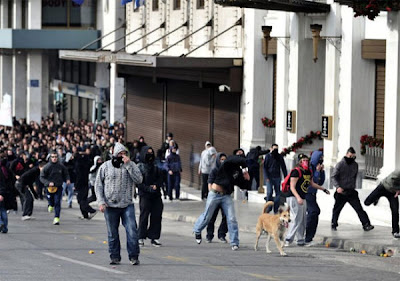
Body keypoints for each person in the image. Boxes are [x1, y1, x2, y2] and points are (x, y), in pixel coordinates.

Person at [95, 142, 143, 266]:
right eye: (119, 154)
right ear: (114, 154)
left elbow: (139, 179)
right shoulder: (105, 167)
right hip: (110, 205)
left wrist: (128, 165)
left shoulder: (131, 165)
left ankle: (134, 256)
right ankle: (115, 256)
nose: (122, 156)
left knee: (132, 230)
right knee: (112, 233)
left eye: (124, 153)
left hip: (127, 204)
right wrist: (101, 202)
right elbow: (98, 185)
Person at [193, 155, 250, 251]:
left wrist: (246, 178)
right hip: (215, 194)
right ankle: (197, 230)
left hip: (226, 196)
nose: (223, 160)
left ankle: (234, 242)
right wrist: (246, 160)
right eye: (221, 159)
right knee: (207, 216)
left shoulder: (238, 172)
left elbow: (242, 186)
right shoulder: (224, 166)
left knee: (232, 218)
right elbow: (232, 159)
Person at [285, 154, 330, 246]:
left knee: (303, 219)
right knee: (297, 218)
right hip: (294, 197)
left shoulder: (308, 171)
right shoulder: (296, 172)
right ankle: (288, 239)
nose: (305, 161)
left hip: (303, 197)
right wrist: (298, 197)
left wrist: (323, 189)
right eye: (303, 160)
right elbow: (292, 187)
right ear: (300, 162)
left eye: (306, 160)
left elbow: (312, 183)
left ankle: (300, 240)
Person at [331, 147, 374, 231]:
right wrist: (337, 186)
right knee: (337, 209)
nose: (351, 158)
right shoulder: (340, 164)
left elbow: (354, 177)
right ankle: (334, 223)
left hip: (351, 191)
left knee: (359, 208)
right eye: (350, 156)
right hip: (341, 191)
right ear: (347, 154)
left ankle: (366, 224)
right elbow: (333, 176)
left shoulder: (355, 165)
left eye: (353, 156)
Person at [137, 146, 164, 247]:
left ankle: (154, 237)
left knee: (157, 215)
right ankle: (140, 237)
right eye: (148, 153)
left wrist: (156, 186)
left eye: (151, 153)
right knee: (144, 216)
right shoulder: (139, 167)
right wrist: (148, 188)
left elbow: (161, 178)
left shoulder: (156, 165)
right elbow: (138, 182)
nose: (150, 156)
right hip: (145, 195)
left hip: (156, 195)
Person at [364, 170, 400, 238]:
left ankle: (395, 231)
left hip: (392, 193)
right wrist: (397, 190)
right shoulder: (398, 172)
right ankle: (376, 198)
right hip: (384, 187)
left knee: (395, 211)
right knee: (367, 202)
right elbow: (390, 182)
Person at [40, 151, 70, 225]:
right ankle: (50, 204)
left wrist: (67, 179)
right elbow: (42, 177)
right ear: (50, 158)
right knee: (51, 200)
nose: (54, 158)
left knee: (57, 202)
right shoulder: (47, 167)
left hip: (58, 186)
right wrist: (47, 183)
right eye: (53, 157)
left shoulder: (61, 166)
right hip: (49, 188)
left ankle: (56, 218)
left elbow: (66, 173)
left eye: (56, 157)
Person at [205, 152, 228, 243]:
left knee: (226, 216)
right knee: (211, 216)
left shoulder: (227, 171)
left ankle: (222, 234)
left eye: (225, 159)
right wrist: (212, 195)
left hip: (224, 196)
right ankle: (209, 235)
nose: (223, 161)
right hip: (215, 196)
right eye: (221, 159)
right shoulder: (214, 170)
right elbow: (210, 183)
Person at [305, 150, 325, 245]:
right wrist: (317, 172)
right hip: (307, 193)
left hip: (313, 194)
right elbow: (313, 182)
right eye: (320, 158)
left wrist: (322, 172)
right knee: (313, 211)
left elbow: (320, 182)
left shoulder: (318, 168)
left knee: (315, 212)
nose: (321, 160)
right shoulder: (309, 168)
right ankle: (307, 237)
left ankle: (310, 236)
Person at [263, 144, 287, 213]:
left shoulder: (279, 156)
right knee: (269, 192)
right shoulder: (268, 156)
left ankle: (276, 208)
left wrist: (286, 177)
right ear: (271, 148)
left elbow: (283, 167)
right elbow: (265, 167)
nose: (275, 150)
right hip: (269, 177)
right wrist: (266, 177)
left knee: (278, 193)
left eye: (277, 149)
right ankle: (268, 207)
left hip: (277, 177)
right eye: (274, 149)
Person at [74, 147, 97, 220]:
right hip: (84, 183)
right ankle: (85, 215)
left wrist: (76, 186)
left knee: (81, 200)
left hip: (81, 183)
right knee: (81, 199)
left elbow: (79, 176)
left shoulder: (80, 163)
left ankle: (91, 210)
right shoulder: (86, 161)